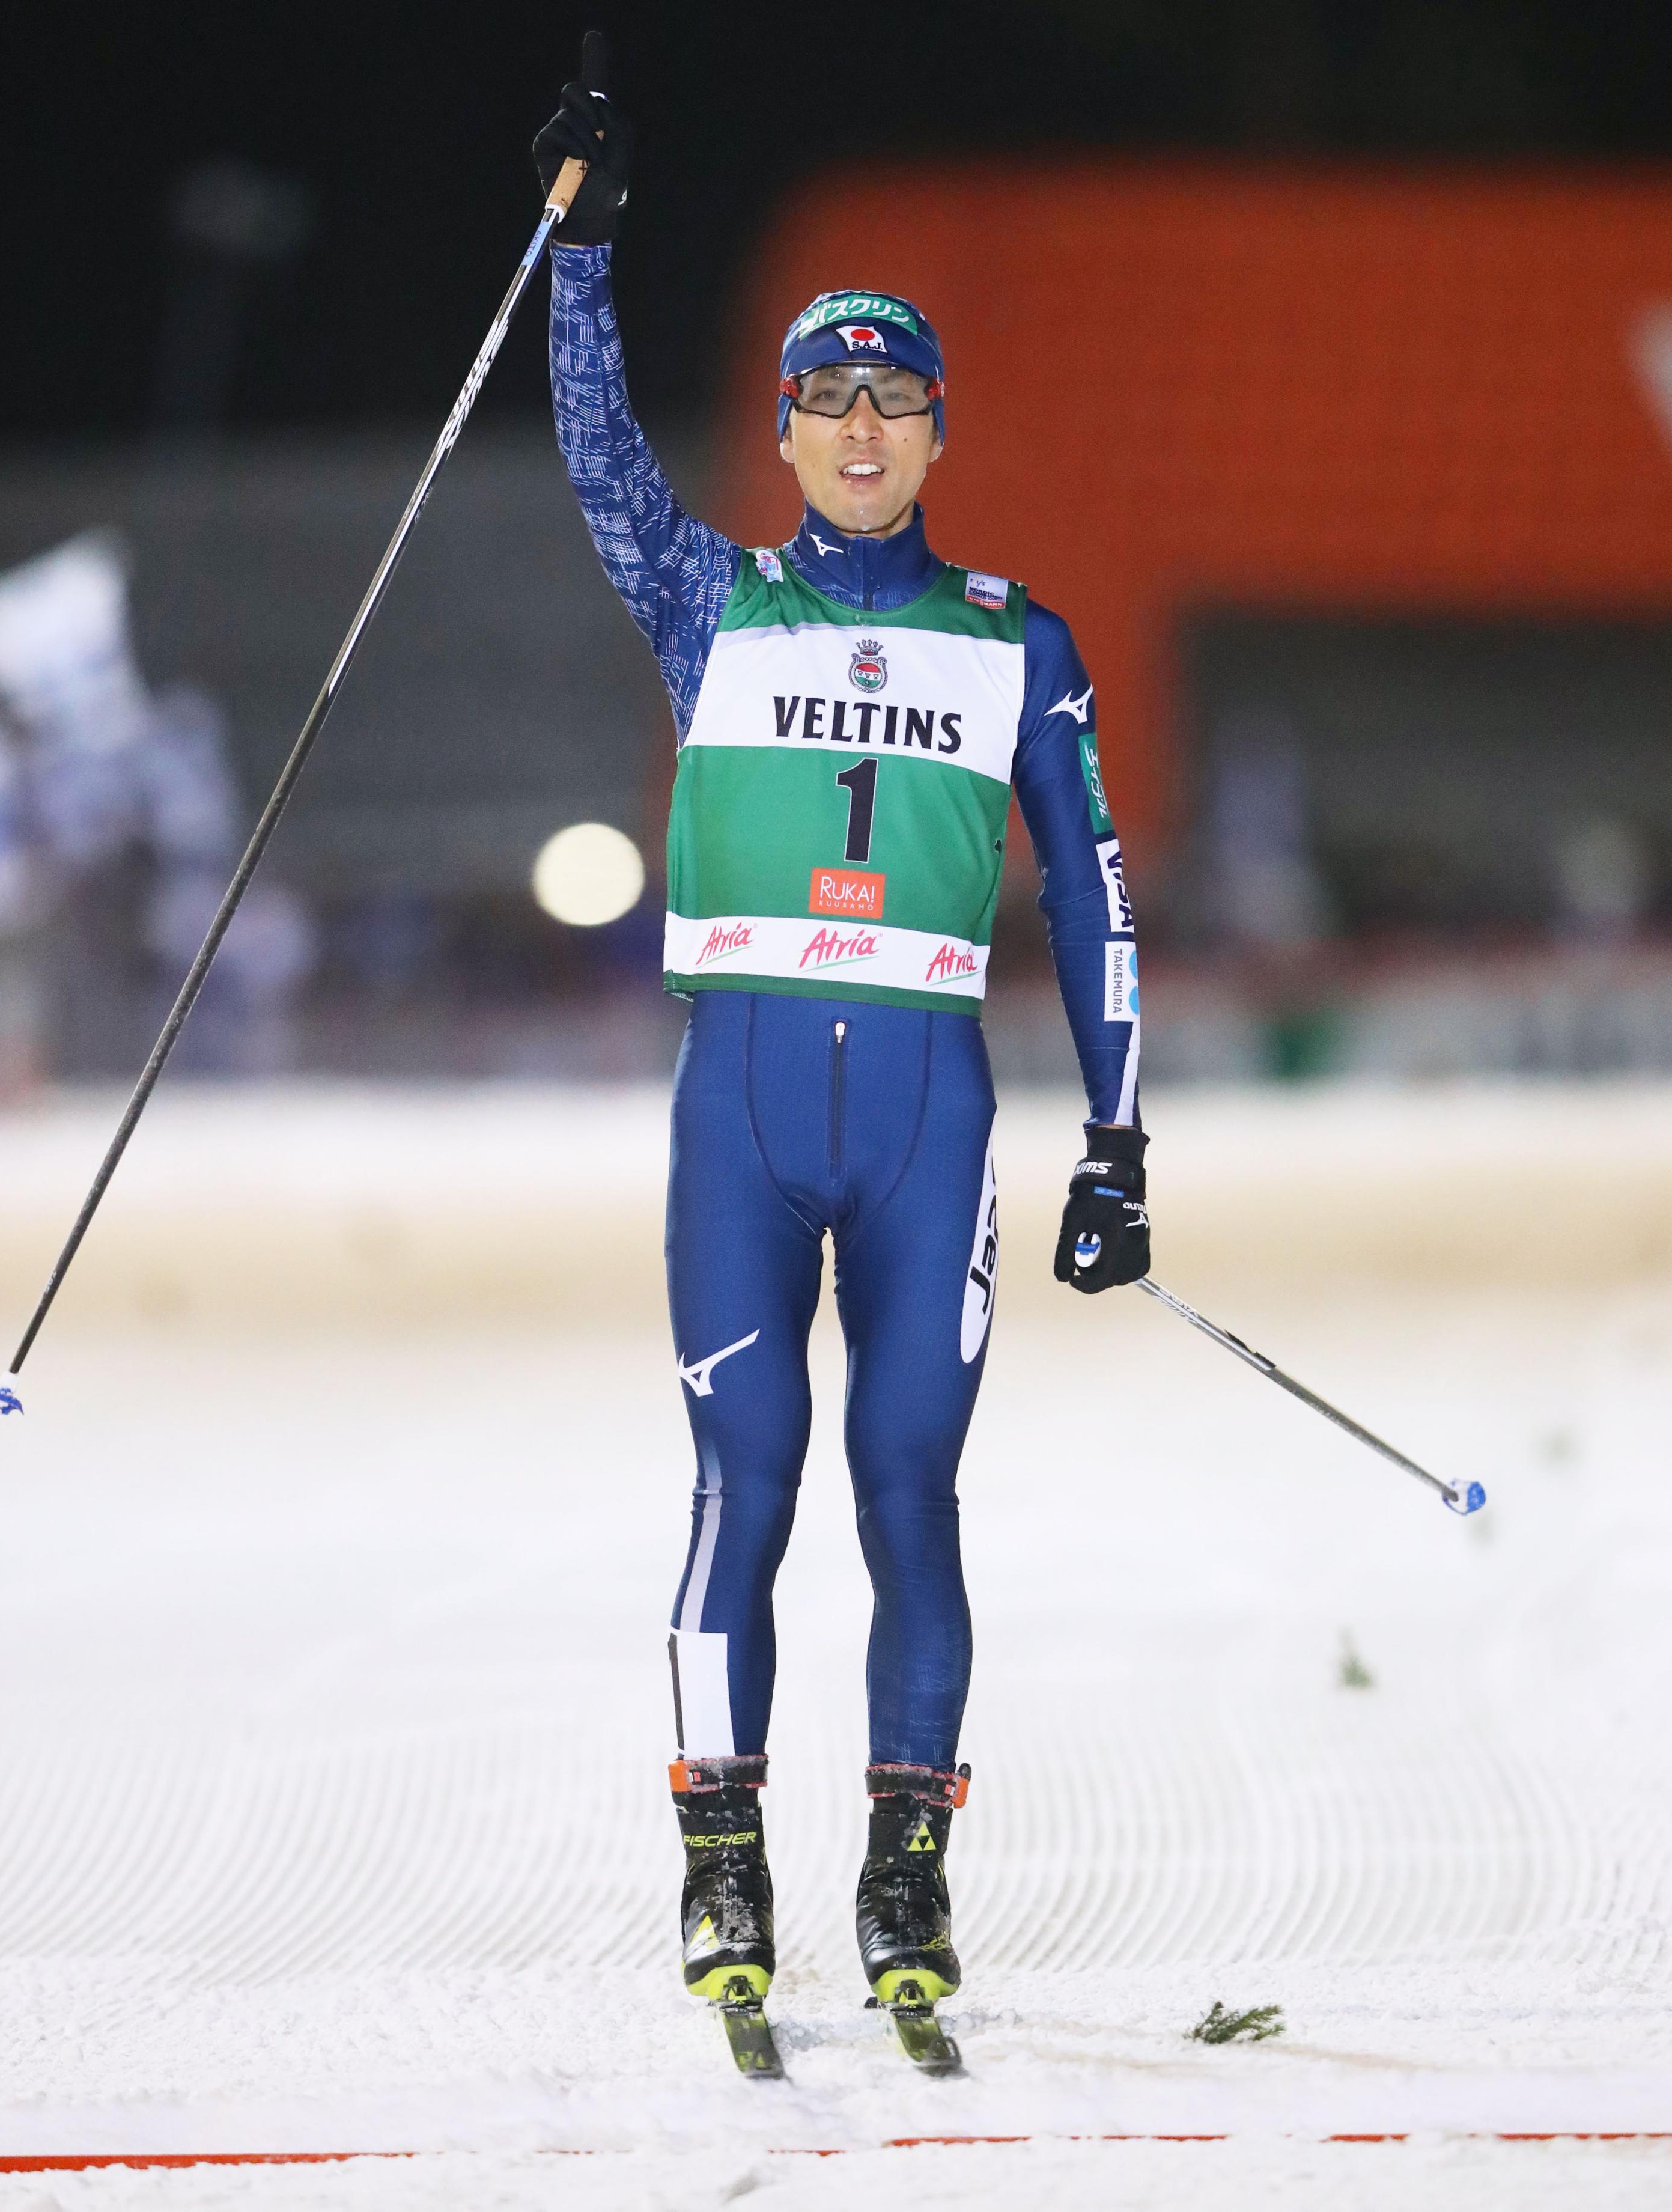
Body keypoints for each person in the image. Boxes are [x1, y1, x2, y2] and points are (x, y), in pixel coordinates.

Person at [535, 60, 1150, 2029]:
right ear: (788, 430)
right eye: (829, 398)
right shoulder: (710, 597)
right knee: (750, 1474)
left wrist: (1121, 1145)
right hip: (743, 1112)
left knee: (906, 1488)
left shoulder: (1015, 638)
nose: (863, 428)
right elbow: (599, 450)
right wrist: (585, 253)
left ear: (936, 427)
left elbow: (1101, 901)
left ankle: (905, 1868)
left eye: (895, 399)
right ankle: (725, 1851)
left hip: (927, 1125)